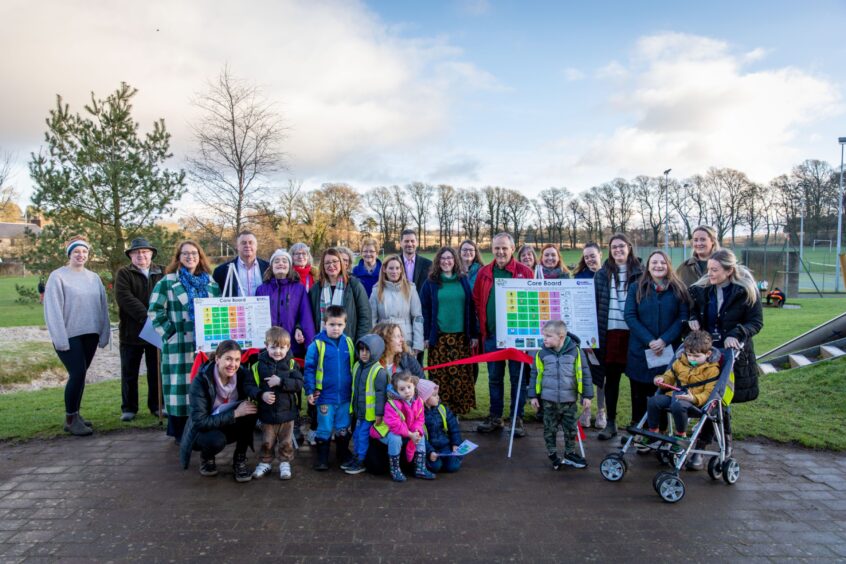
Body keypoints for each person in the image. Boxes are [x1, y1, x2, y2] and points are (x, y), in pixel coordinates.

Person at [687, 249, 763, 467]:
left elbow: (756, 322)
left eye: (715, 270)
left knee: (719, 398)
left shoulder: (745, 292)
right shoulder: (703, 291)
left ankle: (704, 444)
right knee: (711, 398)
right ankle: (721, 443)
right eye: (709, 269)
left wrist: (737, 333)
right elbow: (694, 311)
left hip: (732, 354)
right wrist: (693, 319)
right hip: (707, 354)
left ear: (729, 271)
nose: (710, 274)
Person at [149, 240, 220, 442]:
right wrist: (170, 333)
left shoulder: (211, 283)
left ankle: (201, 427)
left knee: (203, 387)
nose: (190, 257)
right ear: (178, 257)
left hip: (204, 346)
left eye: (194, 253)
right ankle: (179, 431)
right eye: (185, 254)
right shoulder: (168, 282)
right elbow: (155, 310)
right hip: (178, 343)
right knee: (179, 386)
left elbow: (218, 312)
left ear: (200, 257)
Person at [44, 236, 111, 436]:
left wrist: (104, 332)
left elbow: (102, 307)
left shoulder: (93, 278)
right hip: (69, 335)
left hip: (90, 333)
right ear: (69, 254)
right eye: (77, 252)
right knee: (77, 374)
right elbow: (52, 309)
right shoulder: (58, 276)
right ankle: (71, 418)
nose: (81, 255)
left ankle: (75, 415)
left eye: (84, 252)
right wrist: (60, 338)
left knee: (81, 376)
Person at [624, 250, 689, 441]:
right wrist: (650, 341)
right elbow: (630, 316)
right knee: (639, 394)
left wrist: (664, 340)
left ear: (668, 265)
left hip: (667, 353)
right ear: (648, 266)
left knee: (662, 393)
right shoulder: (636, 287)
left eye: (662, 262)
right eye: (654, 262)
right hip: (641, 351)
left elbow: (682, 317)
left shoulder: (678, 289)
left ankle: (660, 433)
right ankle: (640, 431)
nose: (658, 266)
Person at [473, 232, 534, 437]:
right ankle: (495, 416)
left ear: (512, 249)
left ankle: (517, 418)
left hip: (517, 338)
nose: (500, 252)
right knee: (494, 378)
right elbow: (478, 301)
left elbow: (532, 303)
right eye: (497, 248)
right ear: (492, 249)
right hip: (492, 337)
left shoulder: (524, 272)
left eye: (504, 248)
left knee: (517, 379)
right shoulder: (484, 273)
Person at [178, 340, 259, 482]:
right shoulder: (201, 381)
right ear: (217, 358)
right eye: (228, 359)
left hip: (227, 422)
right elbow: (200, 422)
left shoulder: (243, 374)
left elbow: (250, 388)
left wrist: (261, 395)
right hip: (203, 430)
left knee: (250, 410)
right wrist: (235, 413)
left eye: (237, 360)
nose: (233, 365)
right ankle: (207, 457)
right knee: (216, 441)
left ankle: (239, 460)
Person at [594, 233, 642, 441]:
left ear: (629, 248)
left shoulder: (642, 273)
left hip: (634, 334)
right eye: (614, 247)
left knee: (637, 382)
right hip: (610, 333)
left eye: (621, 246)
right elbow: (594, 304)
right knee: (610, 381)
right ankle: (611, 423)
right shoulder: (602, 274)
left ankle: (635, 425)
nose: (618, 250)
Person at [420, 246, 478, 414]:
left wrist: (473, 334)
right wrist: (426, 336)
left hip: (461, 339)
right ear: (438, 261)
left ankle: (456, 414)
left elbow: (471, 307)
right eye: (443, 258)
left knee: (460, 377)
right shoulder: (431, 283)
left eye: (449, 258)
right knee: (441, 378)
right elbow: (425, 310)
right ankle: (439, 412)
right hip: (439, 339)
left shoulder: (463, 280)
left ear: (455, 261)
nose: (446, 261)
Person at [528, 320, 592, 470]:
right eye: (544, 336)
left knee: (570, 430)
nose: (545, 339)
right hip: (548, 401)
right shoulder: (541, 353)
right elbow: (535, 375)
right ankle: (552, 454)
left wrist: (587, 396)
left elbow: (585, 374)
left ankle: (570, 454)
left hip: (569, 400)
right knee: (550, 429)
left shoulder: (576, 352)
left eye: (549, 336)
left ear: (561, 336)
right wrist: (533, 396)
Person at [114, 237, 164, 422]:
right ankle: (129, 408)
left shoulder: (162, 272)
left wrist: (156, 318)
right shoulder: (124, 273)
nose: (141, 255)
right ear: (131, 256)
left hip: (156, 331)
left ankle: (157, 405)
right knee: (129, 372)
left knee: (156, 370)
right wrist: (147, 316)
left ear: (151, 253)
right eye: (136, 253)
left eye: (144, 252)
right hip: (131, 332)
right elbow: (125, 297)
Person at [246, 327, 303, 480]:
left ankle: (285, 463)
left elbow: (298, 384)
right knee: (266, 441)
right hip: (266, 413)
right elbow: (249, 386)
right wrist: (261, 395)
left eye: (282, 347)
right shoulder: (258, 366)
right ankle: (265, 462)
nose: (278, 351)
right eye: (273, 347)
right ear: (266, 345)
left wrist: (281, 381)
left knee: (286, 442)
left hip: (287, 413)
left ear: (288, 347)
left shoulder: (292, 364)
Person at [647, 331, 721, 446]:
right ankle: (653, 432)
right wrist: (661, 380)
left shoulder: (712, 370)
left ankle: (681, 435)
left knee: (678, 405)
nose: (692, 358)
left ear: (708, 354)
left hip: (694, 402)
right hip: (675, 395)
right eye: (689, 355)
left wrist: (694, 398)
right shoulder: (679, 362)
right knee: (653, 401)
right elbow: (669, 376)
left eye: (696, 356)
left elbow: (709, 393)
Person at [303, 305, 355, 471]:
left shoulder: (348, 343)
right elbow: (309, 369)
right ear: (324, 324)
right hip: (324, 396)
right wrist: (310, 390)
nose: (336, 328)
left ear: (345, 325)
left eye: (339, 325)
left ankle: (342, 453)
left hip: (345, 396)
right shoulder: (317, 345)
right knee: (324, 427)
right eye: (332, 324)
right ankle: (322, 457)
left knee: (343, 426)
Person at [369, 371, 436, 482]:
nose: (407, 391)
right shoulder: (392, 404)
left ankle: (420, 468)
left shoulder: (419, 401)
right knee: (395, 438)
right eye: (402, 389)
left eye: (409, 387)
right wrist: (410, 435)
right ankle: (395, 469)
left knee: (421, 435)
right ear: (396, 390)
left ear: (414, 386)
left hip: (406, 431)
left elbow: (420, 419)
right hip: (384, 433)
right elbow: (395, 426)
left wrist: (416, 432)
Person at [255, 249, 316, 359]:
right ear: (271, 267)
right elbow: (257, 318)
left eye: (284, 261)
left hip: (293, 347)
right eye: (276, 261)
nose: (281, 263)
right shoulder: (261, 290)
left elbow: (305, 316)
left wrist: (308, 345)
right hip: (269, 348)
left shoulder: (299, 288)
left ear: (290, 266)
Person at [572, 242, 606, 429]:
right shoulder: (579, 277)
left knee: (602, 376)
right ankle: (585, 410)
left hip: (603, 334)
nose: (590, 259)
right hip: (584, 333)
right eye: (586, 257)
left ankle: (601, 412)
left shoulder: (609, 275)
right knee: (583, 374)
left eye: (592, 255)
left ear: (600, 254)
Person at [343, 334, 387, 475]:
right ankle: (357, 457)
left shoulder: (378, 371)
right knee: (356, 435)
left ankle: (361, 461)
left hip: (370, 415)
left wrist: (379, 414)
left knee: (362, 436)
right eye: (361, 350)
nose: (363, 353)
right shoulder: (357, 366)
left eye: (367, 350)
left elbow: (381, 396)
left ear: (375, 351)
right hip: (359, 413)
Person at [308, 248, 371, 343]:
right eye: (327, 263)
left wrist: (360, 343)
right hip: (322, 344)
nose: (331, 265)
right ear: (323, 266)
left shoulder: (354, 285)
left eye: (334, 261)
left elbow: (365, 317)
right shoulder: (316, 289)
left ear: (341, 263)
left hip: (348, 343)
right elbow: (308, 316)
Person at [369, 255, 424, 355]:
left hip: (405, 338)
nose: (394, 271)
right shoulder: (377, 290)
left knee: (406, 369)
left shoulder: (410, 289)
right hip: (384, 337)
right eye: (391, 268)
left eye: (397, 268)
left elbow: (417, 317)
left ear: (401, 270)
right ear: (384, 269)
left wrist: (418, 343)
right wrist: (373, 342)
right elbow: (372, 319)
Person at [420, 380, 464, 474]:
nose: (438, 397)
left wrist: (455, 443)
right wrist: (430, 452)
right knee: (436, 467)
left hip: (445, 447)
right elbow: (421, 438)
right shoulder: (419, 415)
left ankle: (454, 458)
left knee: (453, 467)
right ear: (425, 398)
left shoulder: (442, 409)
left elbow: (454, 428)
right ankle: (427, 462)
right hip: (430, 448)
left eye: (437, 394)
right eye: (434, 395)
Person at [212, 230, 269, 297]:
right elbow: (215, 297)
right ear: (237, 246)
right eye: (243, 243)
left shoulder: (268, 268)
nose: (247, 245)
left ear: (256, 246)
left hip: (262, 307)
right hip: (234, 307)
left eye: (251, 243)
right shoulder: (221, 271)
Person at [399, 229, 433, 294]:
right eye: (406, 241)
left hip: (421, 302)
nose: (409, 244)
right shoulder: (393, 263)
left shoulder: (428, 264)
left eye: (412, 241)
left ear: (417, 243)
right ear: (401, 243)